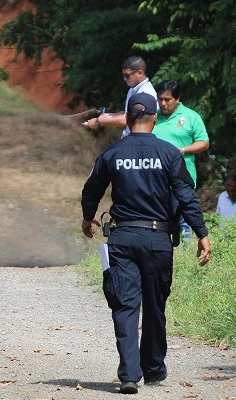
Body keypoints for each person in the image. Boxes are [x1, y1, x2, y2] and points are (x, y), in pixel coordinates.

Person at [81, 93, 211, 394]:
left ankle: (129, 374)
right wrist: (202, 233)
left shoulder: (112, 153)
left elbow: (91, 189)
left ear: (127, 119)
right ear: (154, 118)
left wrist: (88, 218)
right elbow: (186, 196)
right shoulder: (169, 153)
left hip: (123, 238)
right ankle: (152, 367)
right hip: (157, 240)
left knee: (125, 305)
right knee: (155, 305)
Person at [152, 80, 210, 238]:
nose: (163, 103)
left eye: (167, 99)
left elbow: (204, 142)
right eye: (160, 99)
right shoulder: (153, 116)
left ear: (177, 99)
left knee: (184, 218)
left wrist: (182, 150)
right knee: (158, 219)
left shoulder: (191, 116)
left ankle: (186, 255)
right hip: (156, 178)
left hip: (182, 177)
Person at [86, 56, 157, 138]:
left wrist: (99, 122)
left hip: (139, 141)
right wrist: (108, 115)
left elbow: (128, 119)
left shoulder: (145, 93)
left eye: (127, 75)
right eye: (123, 75)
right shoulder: (132, 90)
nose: (124, 79)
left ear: (140, 73)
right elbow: (127, 114)